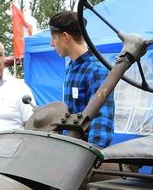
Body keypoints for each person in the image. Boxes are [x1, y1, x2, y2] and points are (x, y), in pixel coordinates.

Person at [48, 10, 114, 148]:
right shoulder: (70, 68)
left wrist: (91, 153)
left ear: (65, 37)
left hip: (83, 152)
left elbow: (102, 121)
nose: (51, 44)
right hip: (69, 148)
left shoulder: (96, 70)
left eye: (54, 38)